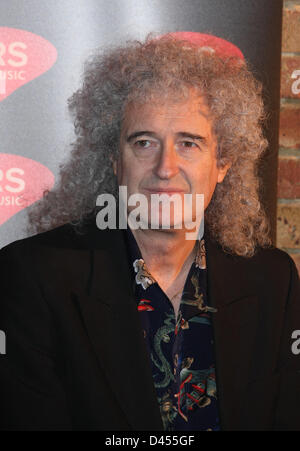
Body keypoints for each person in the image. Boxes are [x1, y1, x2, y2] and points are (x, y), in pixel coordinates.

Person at [0, 32, 299, 431]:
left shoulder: (272, 280)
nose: (164, 168)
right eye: (144, 142)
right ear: (113, 160)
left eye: (189, 144)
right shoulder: (33, 277)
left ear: (223, 163)